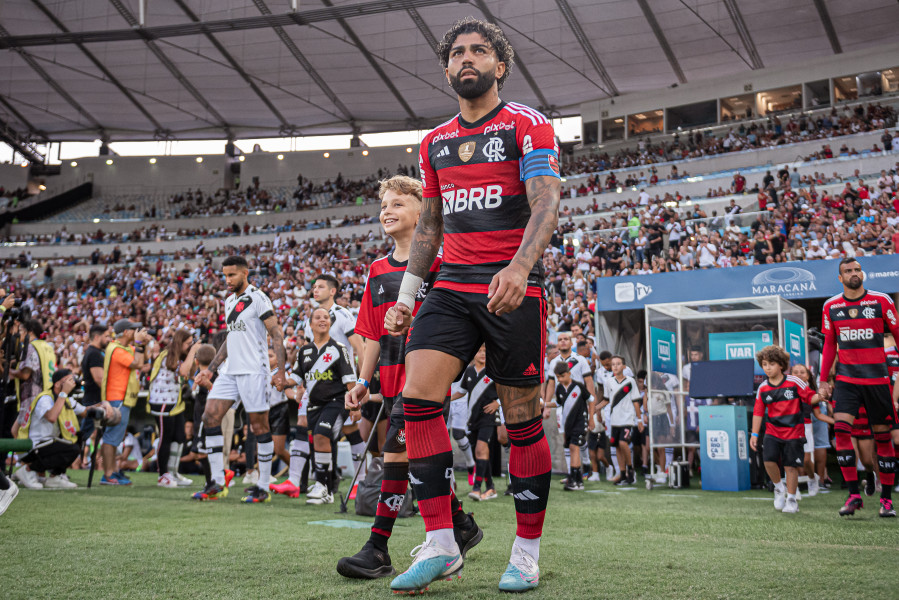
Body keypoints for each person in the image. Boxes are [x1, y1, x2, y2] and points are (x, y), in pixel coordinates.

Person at [385, 16, 561, 593]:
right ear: (446, 69)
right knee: (417, 400)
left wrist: (519, 267)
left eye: (479, 50)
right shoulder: (434, 141)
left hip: (513, 288)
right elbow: (430, 227)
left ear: (500, 65)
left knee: (522, 422)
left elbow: (546, 202)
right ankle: (441, 544)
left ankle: (526, 553)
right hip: (453, 287)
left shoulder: (526, 125)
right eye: (457, 52)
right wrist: (410, 296)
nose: (467, 58)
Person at [337, 175, 481, 580]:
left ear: (424, 212)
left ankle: (377, 547)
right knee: (414, 456)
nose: (387, 210)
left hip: (429, 379)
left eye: (399, 203)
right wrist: (362, 381)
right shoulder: (378, 270)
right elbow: (371, 334)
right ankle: (462, 525)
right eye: (384, 204)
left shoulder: (442, 262)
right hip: (390, 379)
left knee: (396, 456)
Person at [193, 256, 288, 503]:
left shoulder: (258, 298)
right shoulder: (228, 301)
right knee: (210, 416)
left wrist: (280, 372)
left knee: (259, 426)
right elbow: (229, 340)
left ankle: (264, 486)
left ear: (245, 273)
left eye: (232, 275)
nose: (227, 280)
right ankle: (215, 482)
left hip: (254, 370)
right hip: (230, 371)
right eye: (225, 275)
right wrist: (211, 369)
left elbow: (276, 335)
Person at [819, 257, 899, 517]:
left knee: (884, 438)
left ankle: (886, 500)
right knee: (841, 433)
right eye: (848, 271)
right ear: (840, 278)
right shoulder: (831, 306)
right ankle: (854, 495)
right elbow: (830, 344)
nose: (854, 273)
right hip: (847, 380)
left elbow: (897, 333)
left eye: (857, 269)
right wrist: (822, 379)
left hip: (877, 380)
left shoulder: (881, 300)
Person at [292, 307, 356, 505]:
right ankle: (326, 490)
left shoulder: (338, 349)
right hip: (313, 405)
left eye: (326, 317)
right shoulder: (304, 351)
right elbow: (295, 378)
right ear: (310, 324)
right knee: (317, 442)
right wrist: (280, 380)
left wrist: (355, 406)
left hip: (336, 402)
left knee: (321, 435)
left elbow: (350, 380)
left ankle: (321, 485)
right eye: (318, 317)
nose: (322, 320)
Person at [751, 346, 821, 514]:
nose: (767, 368)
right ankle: (778, 488)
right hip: (772, 432)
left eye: (772, 364)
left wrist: (822, 396)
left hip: (794, 432)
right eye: (764, 364)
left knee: (790, 467)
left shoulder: (794, 382)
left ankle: (791, 500)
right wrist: (754, 434)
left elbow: (810, 397)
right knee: (768, 461)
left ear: (781, 365)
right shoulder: (763, 388)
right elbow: (758, 412)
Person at [13, 369, 111, 489]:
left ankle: (54, 477)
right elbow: (52, 417)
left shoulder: (66, 400)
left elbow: (86, 411)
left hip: (47, 444)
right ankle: (28, 470)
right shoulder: (45, 398)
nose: (72, 383)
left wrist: (103, 404)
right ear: (58, 384)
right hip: (32, 446)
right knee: (71, 448)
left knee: (77, 441)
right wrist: (64, 393)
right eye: (69, 380)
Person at [100, 319, 150, 486]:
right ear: (127, 332)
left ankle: (113, 471)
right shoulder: (115, 349)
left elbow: (144, 358)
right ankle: (108, 475)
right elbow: (137, 363)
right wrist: (139, 343)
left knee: (116, 438)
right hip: (116, 398)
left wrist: (144, 344)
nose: (136, 332)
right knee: (111, 437)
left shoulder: (125, 348)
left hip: (123, 397)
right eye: (134, 330)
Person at [147, 329, 199, 488]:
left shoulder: (182, 356)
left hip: (174, 403)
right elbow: (182, 372)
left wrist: (193, 357)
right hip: (162, 403)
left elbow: (189, 374)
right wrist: (193, 352)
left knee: (179, 437)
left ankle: (173, 472)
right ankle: (163, 474)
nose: (190, 346)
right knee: (165, 438)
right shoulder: (167, 355)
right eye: (188, 343)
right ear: (180, 342)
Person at [457, 346, 501, 501]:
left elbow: (505, 390)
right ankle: (490, 488)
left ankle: (476, 488)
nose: (483, 354)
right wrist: (444, 398)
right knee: (481, 453)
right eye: (480, 351)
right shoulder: (468, 371)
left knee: (481, 449)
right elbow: (461, 391)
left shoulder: (493, 370)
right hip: (472, 418)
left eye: (485, 351)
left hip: (488, 417)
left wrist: (498, 402)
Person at [596, 356, 642, 486]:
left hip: (627, 418)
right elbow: (606, 399)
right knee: (616, 446)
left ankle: (630, 470)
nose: (615, 366)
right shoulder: (609, 382)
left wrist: (639, 419)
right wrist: (596, 408)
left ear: (624, 366)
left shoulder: (630, 381)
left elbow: (636, 401)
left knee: (623, 443)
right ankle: (622, 474)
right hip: (614, 419)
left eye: (618, 364)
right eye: (613, 364)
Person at [547, 361, 593, 491]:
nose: (560, 380)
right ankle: (577, 480)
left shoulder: (579, 386)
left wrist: (591, 419)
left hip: (580, 421)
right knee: (572, 448)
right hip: (568, 424)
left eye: (562, 376)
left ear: (569, 373)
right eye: (558, 377)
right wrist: (544, 404)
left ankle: (574, 477)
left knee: (574, 447)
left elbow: (592, 400)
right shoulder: (560, 388)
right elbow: (558, 403)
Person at [79, 323, 110, 452]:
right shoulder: (94, 354)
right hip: (94, 402)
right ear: (97, 337)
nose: (109, 339)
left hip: (94, 400)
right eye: (106, 336)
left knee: (89, 434)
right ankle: (71, 460)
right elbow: (99, 379)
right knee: (84, 435)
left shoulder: (94, 352)